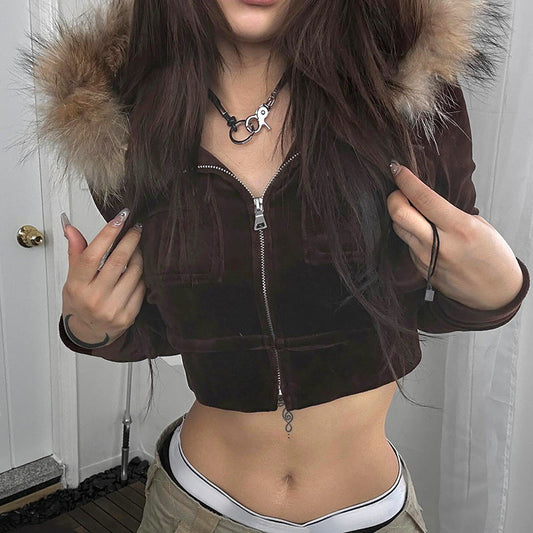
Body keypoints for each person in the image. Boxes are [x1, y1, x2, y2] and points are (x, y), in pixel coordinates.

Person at [19, 0, 530, 532]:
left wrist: (499, 292)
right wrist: (90, 329)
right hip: (193, 509)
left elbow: (429, 286)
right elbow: (172, 324)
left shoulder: (410, 85)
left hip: (371, 515)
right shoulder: (120, 117)